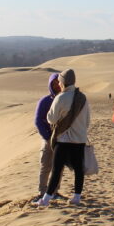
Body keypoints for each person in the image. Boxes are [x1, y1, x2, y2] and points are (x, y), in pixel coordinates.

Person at [38, 69, 91, 207]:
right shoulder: (83, 98)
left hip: (63, 140)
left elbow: (51, 119)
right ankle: (77, 197)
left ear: (63, 83)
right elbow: (87, 121)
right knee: (79, 170)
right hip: (79, 139)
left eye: (60, 82)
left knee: (56, 170)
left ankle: (45, 199)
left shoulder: (60, 98)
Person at [33, 72, 61, 204]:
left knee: (58, 167)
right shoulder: (45, 101)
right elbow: (38, 121)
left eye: (58, 83)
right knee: (45, 166)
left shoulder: (65, 99)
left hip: (62, 140)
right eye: (53, 84)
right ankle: (42, 192)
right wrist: (48, 137)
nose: (56, 86)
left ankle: (55, 191)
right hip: (48, 140)